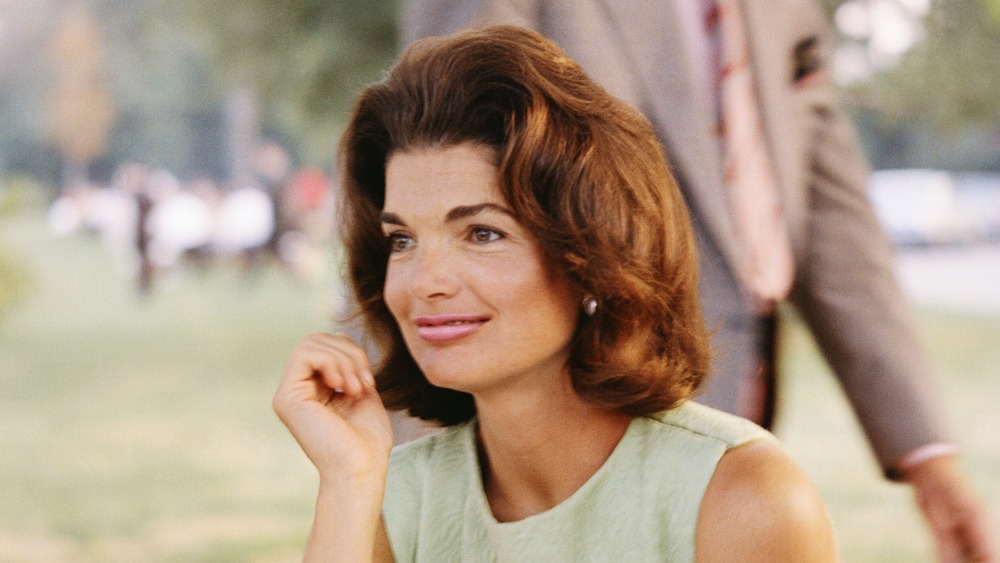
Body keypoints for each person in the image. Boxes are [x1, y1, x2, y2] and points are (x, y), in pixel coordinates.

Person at [401, 2, 997, 561]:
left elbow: (825, 199)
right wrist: (402, 490)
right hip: (573, 409)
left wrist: (928, 457)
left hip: (737, 394)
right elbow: (430, 159)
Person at [273, 25, 838, 561]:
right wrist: (348, 483)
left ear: (591, 258)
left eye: (483, 233)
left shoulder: (743, 498)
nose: (424, 282)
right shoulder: (392, 499)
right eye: (402, 240)